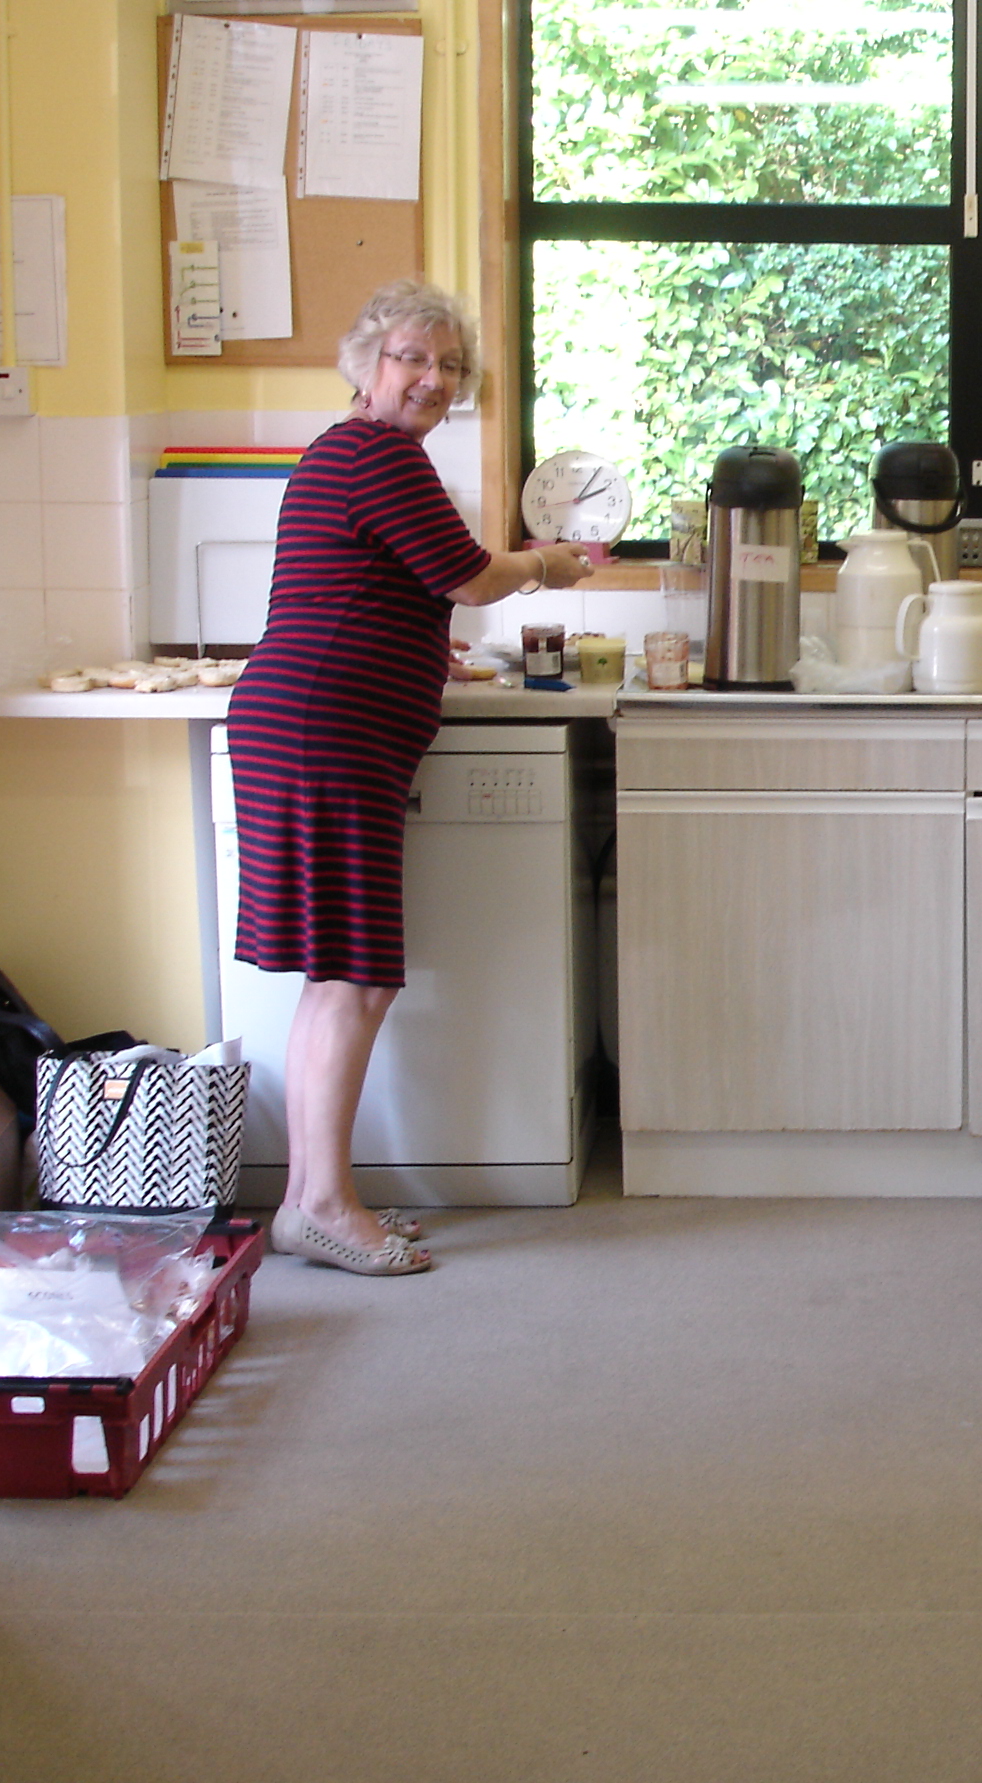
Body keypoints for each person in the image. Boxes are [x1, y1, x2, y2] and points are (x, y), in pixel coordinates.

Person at [228, 280, 593, 1276]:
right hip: (324, 730)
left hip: (314, 724)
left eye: (450, 366)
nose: (432, 378)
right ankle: (327, 1207)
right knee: (357, 978)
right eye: (411, 358)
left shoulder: (352, 453)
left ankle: (312, 1199)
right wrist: (546, 564)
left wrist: (420, 650)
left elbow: (362, 585)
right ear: (365, 363)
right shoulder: (375, 451)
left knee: (340, 978)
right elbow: (467, 578)